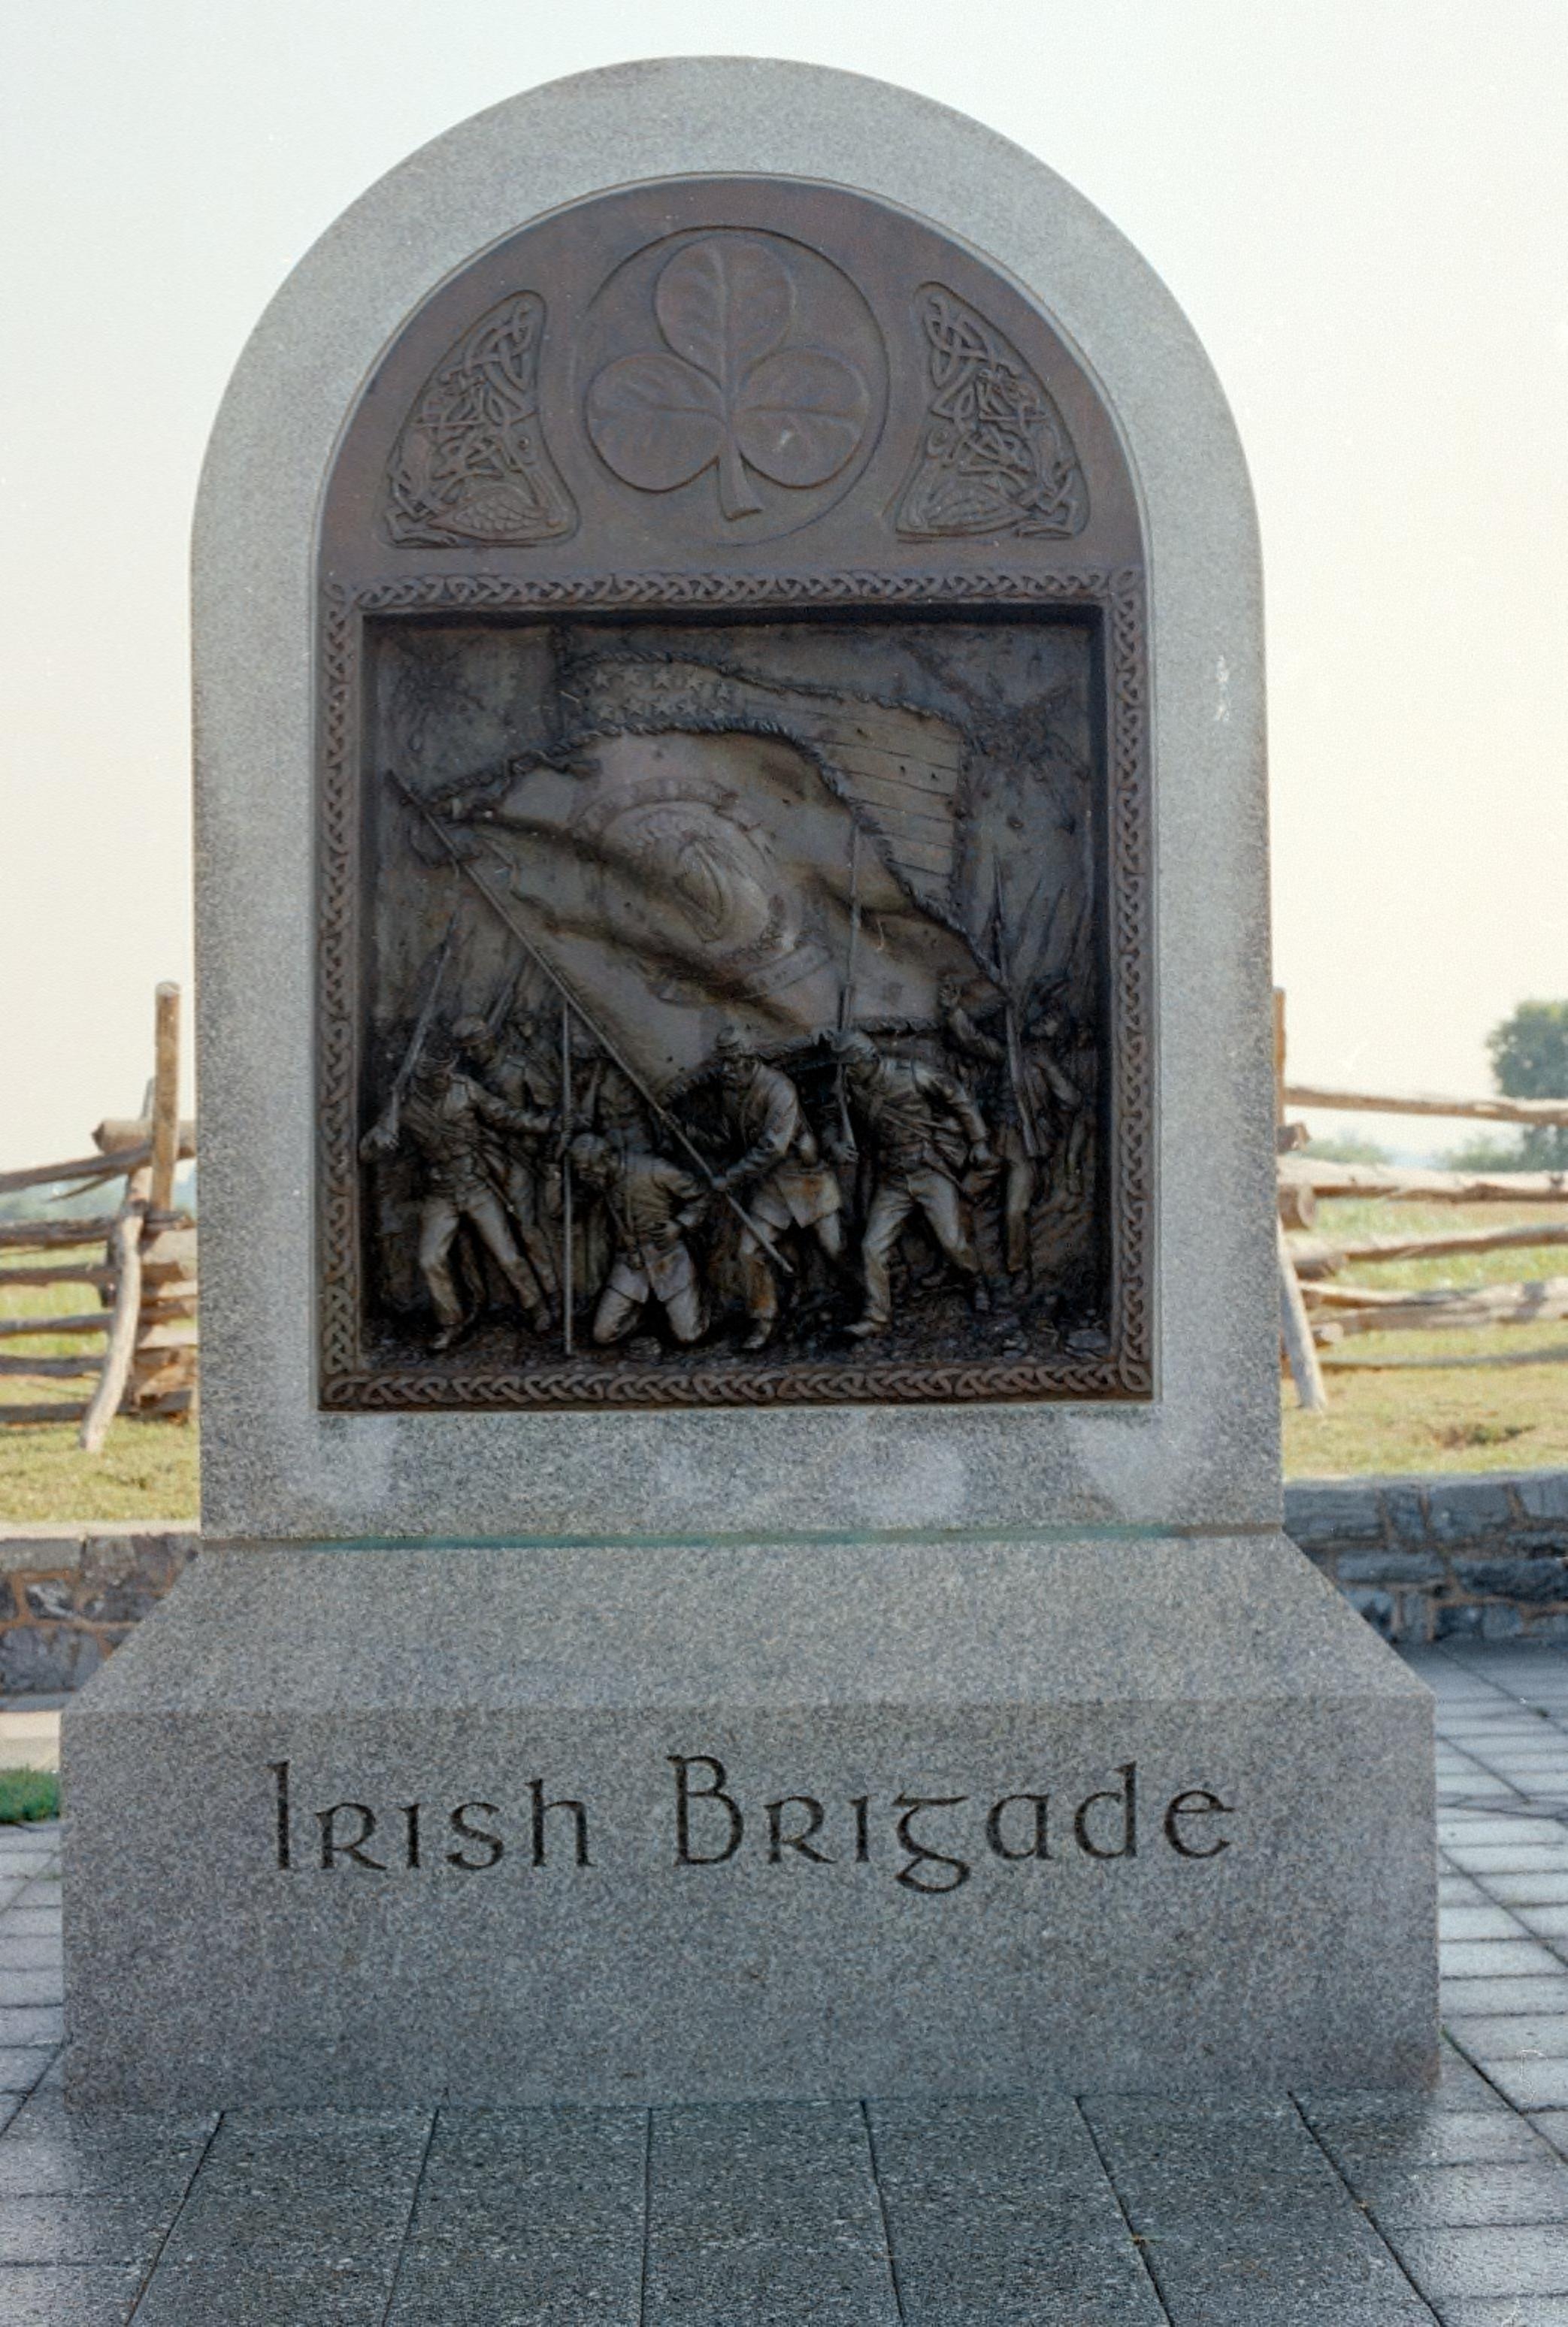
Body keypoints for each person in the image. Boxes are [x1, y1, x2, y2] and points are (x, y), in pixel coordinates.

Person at [361, 1031, 555, 1349]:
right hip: (440, 1193)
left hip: (476, 1186)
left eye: (447, 1071)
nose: (445, 1078)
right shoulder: (403, 1103)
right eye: (437, 1075)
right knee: (429, 1259)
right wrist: (381, 1136)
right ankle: (450, 1322)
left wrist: (545, 1125)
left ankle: (536, 1307)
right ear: (421, 1076)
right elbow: (367, 1153)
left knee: (507, 1256)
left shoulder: (465, 1089)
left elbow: (503, 1116)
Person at [827, 1028, 993, 1338]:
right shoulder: (848, 1087)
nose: (846, 1072)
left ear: (868, 1058)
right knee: (872, 1247)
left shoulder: (914, 1074)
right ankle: (877, 1316)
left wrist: (980, 1141)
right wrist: (835, 1143)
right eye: (842, 1067)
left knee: (953, 1242)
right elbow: (830, 1120)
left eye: (850, 1065)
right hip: (892, 1178)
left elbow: (958, 1096)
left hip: (929, 1169)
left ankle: (975, 1281)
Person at [707, 1024, 846, 1350]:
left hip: (805, 1179)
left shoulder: (778, 1088)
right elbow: (729, 1140)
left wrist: (731, 1177)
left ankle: (861, 1301)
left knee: (834, 1248)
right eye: (723, 1062)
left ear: (747, 1059)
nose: (726, 1070)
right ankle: (763, 1319)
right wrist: (686, 1132)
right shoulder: (730, 1091)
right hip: (770, 1188)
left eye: (731, 1062)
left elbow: (773, 1147)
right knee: (748, 1251)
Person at [938, 976, 1080, 1277]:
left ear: (1059, 1034)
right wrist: (954, 1011)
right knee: (961, 1196)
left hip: (1023, 1150)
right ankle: (966, 1269)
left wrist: (1046, 1122)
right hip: (995, 1143)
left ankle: (1018, 1272)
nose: (1043, 1021)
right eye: (1044, 1016)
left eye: (1052, 1020)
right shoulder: (1014, 1054)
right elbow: (975, 1041)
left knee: (1016, 1211)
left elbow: (1070, 1098)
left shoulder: (1044, 1060)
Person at [446, 1010, 561, 1302]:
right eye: (465, 1050)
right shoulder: (468, 1077)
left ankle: (552, 1292)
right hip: (481, 1160)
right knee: (485, 1233)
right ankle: (496, 1299)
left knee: (527, 1229)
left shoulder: (520, 1069)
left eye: (474, 1047)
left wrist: (547, 1153)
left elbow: (550, 1112)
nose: (470, 1054)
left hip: (519, 1160)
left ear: (490, 1040)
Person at [566, 1133, 709, 1348]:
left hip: (668, 1255)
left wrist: (680, 1225)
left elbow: (701, 1196)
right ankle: (645, 1318)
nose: (584, 1176)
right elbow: (562, 1210)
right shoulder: (601, 1181)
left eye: (588, 1170)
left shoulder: (655, 1169)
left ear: (606, 1158)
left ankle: (702, 1301)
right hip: (630, 1260)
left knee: (689, 1335)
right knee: (603, 1335)